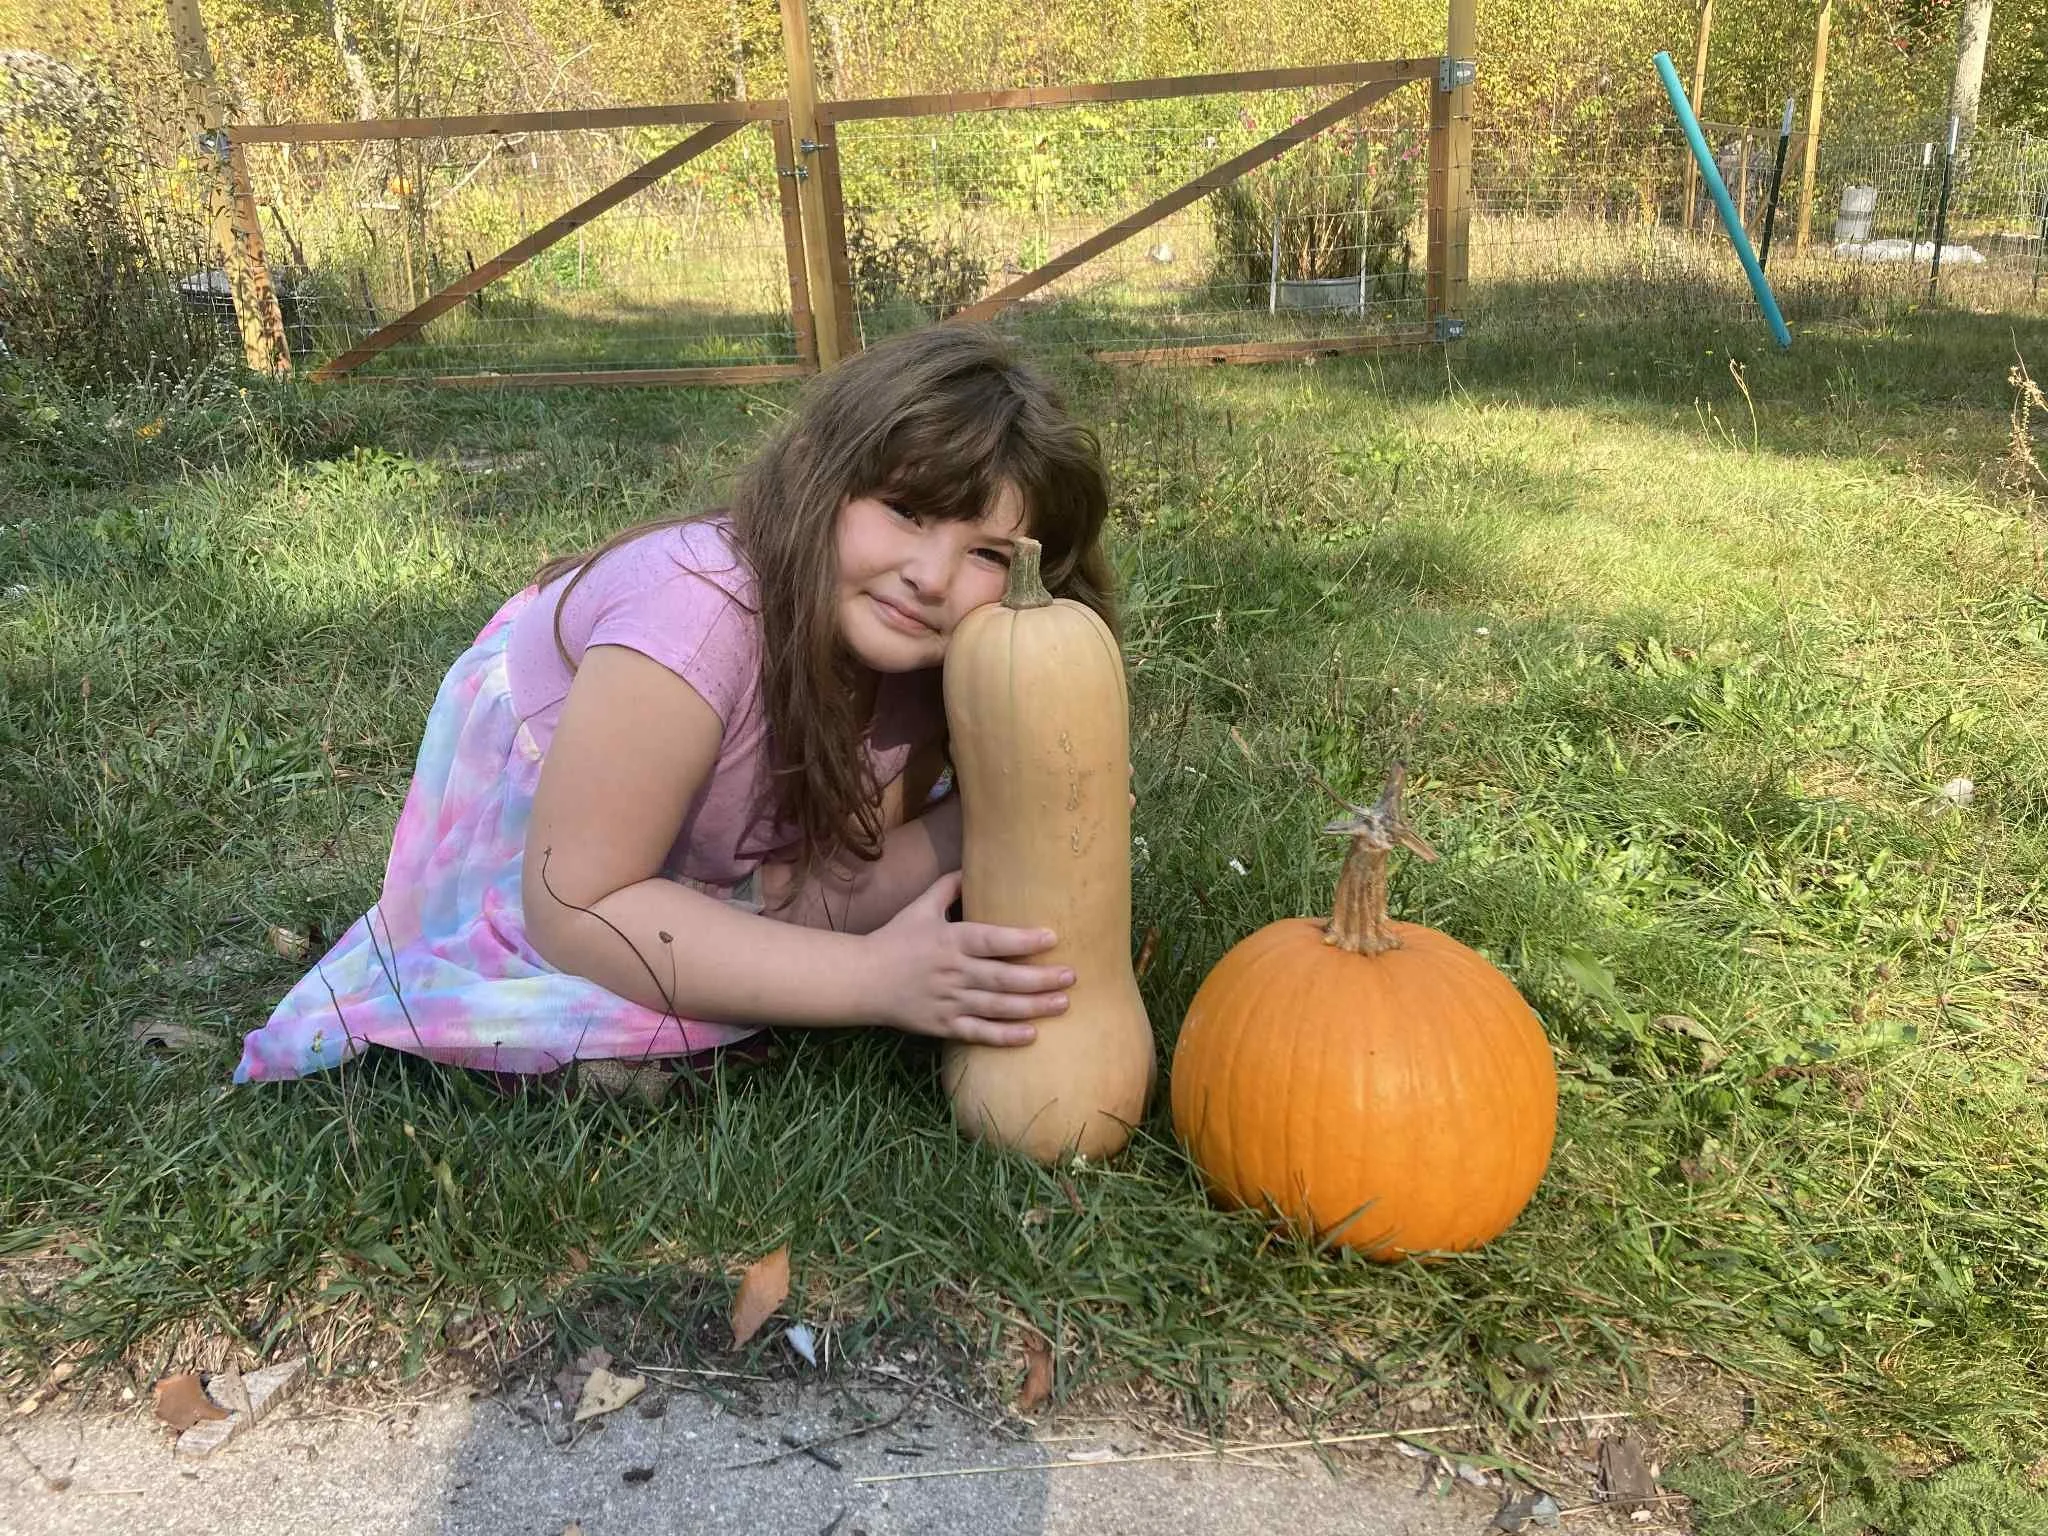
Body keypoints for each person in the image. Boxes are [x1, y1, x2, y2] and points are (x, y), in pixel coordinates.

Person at [235, 325, 1119, 1091]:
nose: (931, 577)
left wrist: (1011, 809)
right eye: (904, 510)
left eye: (991, 556)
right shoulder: (692, 615)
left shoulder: (938, 661)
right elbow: (576, 904)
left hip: (702, 830)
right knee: (631, 991)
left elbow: (822, 886)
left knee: (772, 947)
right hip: (571, 848)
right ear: (819, 478)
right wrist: (870, 981)